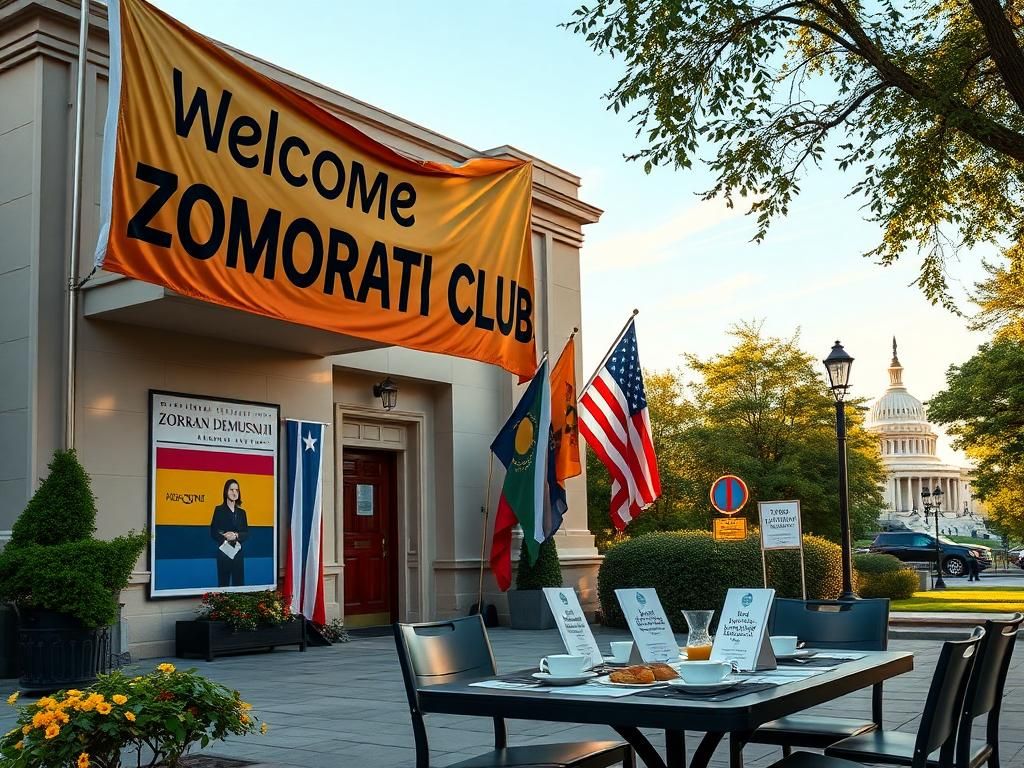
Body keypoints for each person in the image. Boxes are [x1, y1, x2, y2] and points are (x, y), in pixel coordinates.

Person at [210, 479, 248, 587]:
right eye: (231, 490)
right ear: (226, 491)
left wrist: (236, 535)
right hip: (224, 553)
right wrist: (225, 536)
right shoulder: (219, 510)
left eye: (237, 490)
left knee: (239, 585)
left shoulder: (242, 513)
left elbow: (246, 533)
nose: (234, 492)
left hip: (238, 554)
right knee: (223, 585)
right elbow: (213, 531)